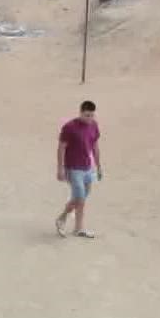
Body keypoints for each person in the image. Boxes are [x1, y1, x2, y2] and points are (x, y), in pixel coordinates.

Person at [55, 100, 102, 238]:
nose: (89, 119)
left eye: (92, 115)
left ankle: (62, 218)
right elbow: (61, 147)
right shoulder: (69, 127)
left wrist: (98, 166)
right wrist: (60, 168)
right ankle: (78, 228)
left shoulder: (94, 125)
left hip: (88, 167)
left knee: (81, 197)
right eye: (87, 115)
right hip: (73, 168)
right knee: (80, 199)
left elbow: (95, 147)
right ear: (80, 112)